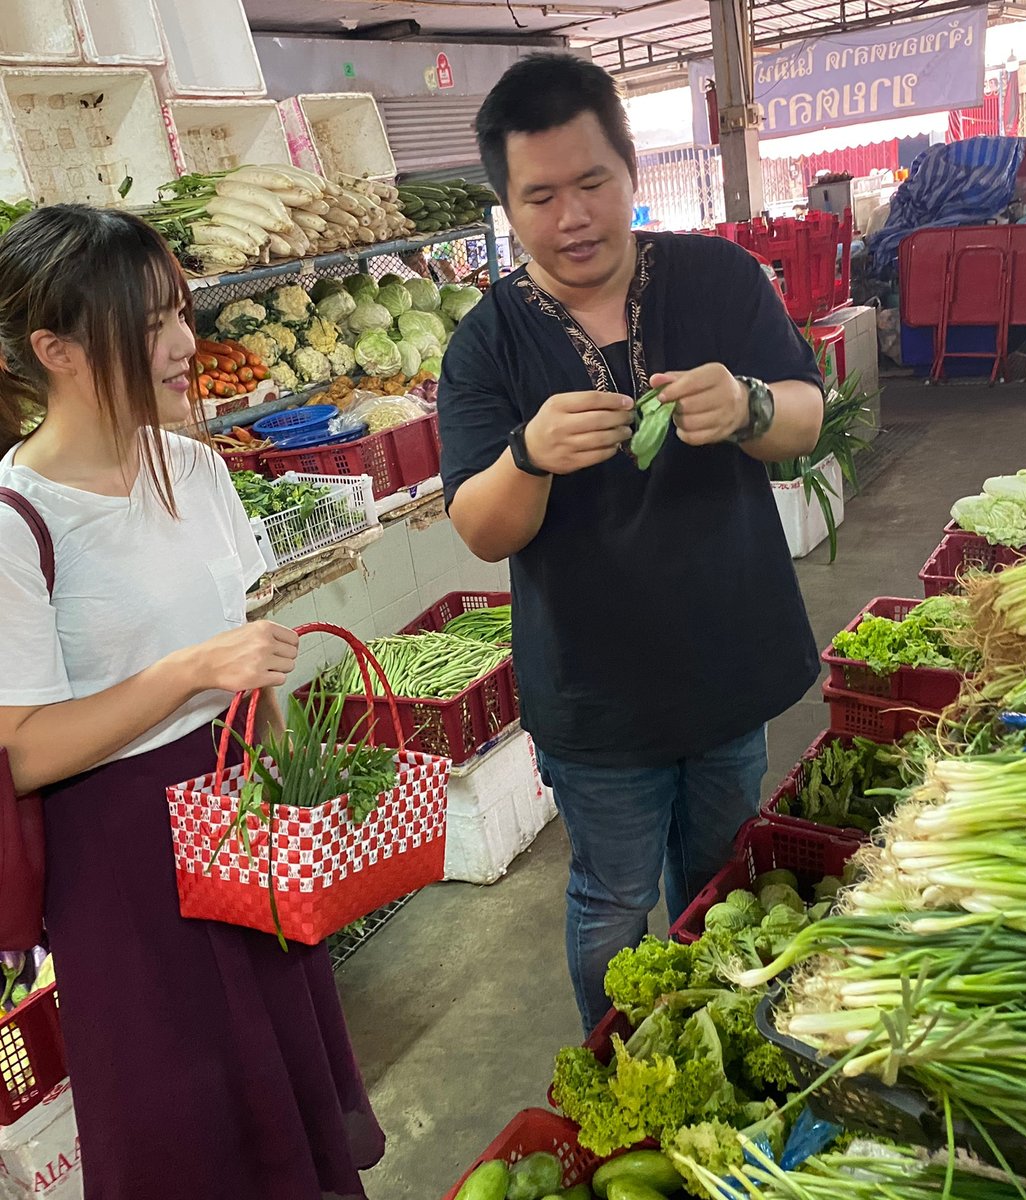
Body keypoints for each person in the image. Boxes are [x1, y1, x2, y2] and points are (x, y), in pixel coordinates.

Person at [0, 205, 384, 1199]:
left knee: (282, 1087)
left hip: (240, 813)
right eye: (153, 324)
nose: (185, 344)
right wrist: (188, 671)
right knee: (184, 1118)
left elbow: (245, 650)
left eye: (181, 311)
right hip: (120, 856)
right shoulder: (19, 520)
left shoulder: (199, 468)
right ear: (58, 351)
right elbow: (27, 751)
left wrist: (292, 781)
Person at [438, 54, 825, 1035]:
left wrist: (748, 405)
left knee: (723, 882)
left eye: (592, 182)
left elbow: (807, 419)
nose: (572, 216)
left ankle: (727, 1053)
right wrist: (528, 457)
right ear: (507, 206)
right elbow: (481, 529)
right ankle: (625, 1073)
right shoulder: (486, 345)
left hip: (727, 664)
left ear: (631, 171)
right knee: (614, 903)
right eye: (540, 196)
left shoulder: (719, 278)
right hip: (596, 698)